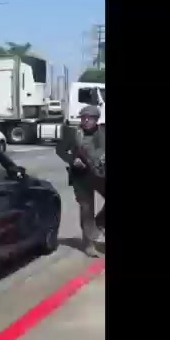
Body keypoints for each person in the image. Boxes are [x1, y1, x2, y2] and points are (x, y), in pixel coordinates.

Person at [56, 104, 106, 256]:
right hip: (81, 176)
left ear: (96, 120)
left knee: (92, 216)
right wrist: (72, 160)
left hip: (100, 175)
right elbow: (60, 150)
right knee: (86, 208)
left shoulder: (103, 133)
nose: (85, 121)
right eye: (83, 118)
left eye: (89, 118)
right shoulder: (73, 134)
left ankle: (98, 224)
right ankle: (88, 244)